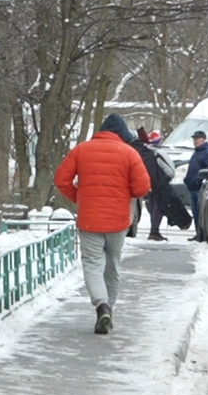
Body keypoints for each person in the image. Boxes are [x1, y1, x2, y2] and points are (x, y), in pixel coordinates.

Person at [54, 113, 150, 334]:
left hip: (89, 220)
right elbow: (142, 188)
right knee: (112, 264)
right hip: (118, 221)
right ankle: (110, 309)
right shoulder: (129, 153)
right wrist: (125, 194)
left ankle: (101, 305)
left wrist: (79, 197)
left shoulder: (81, 150)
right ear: (122, 135)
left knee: (92, 265)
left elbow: (61, 179)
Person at [118, 122, 177, 241]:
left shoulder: (137, 150)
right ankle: (154, 231)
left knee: (153, 207)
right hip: (157, 183)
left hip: (148, 183)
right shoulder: (154, 153)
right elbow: (169, 169)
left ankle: (153, 230)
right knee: (158, 208)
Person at [184, 130, 208, 243]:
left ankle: (201, 235)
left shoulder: (207, 152)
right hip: (193, 187)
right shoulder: (198, 151)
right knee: (196, 213)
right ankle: (198, 234)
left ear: (203, 139)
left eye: (197, 138)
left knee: (200, 213)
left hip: (200, 188)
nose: (195, 141)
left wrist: (199, 181)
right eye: (194, 139)